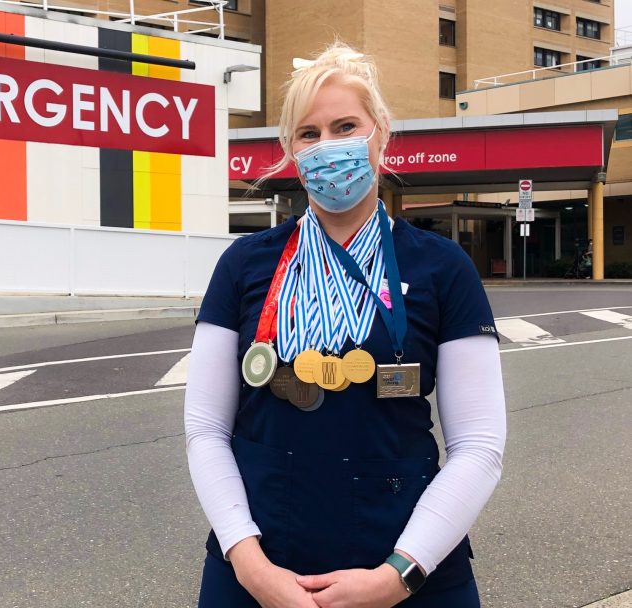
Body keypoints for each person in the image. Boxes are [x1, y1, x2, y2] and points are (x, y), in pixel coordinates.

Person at [185, 42, 506, 608]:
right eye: (308, 134)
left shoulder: (443, 267)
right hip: (259, 560)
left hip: (410, 558)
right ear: (289, 149)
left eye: (344, 126)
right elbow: (205, 432)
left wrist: (398, 575)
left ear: (379, 133)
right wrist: (252, 567)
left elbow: (479, 446)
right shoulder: (244, 264)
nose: (327, 147)